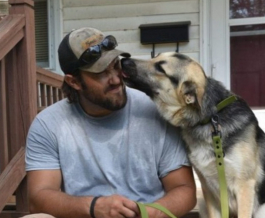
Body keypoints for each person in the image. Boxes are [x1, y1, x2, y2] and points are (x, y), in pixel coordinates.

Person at [24, 27, 196, 218]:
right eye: (100, 73)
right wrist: (93, 207)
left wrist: (148, 212)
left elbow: (184, 189)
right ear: (74, 82)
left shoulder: (154, 111)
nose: (116, 79)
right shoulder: (48, 124)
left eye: (115, 66)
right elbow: (38, 198)